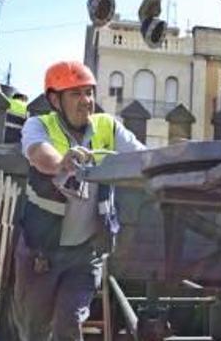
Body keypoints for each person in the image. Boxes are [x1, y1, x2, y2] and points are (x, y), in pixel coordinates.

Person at [9, 60, 145, 341]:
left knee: (68, 325)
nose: (86, 101)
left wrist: (170, 164)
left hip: (85, 254)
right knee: (33, 330)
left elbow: (142, 158)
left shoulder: (107, 127)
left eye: (89, 92)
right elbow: (38, 154)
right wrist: (62, 162)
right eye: (76, 94)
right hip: (41, 252)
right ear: (54, 100)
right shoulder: (39, 124)